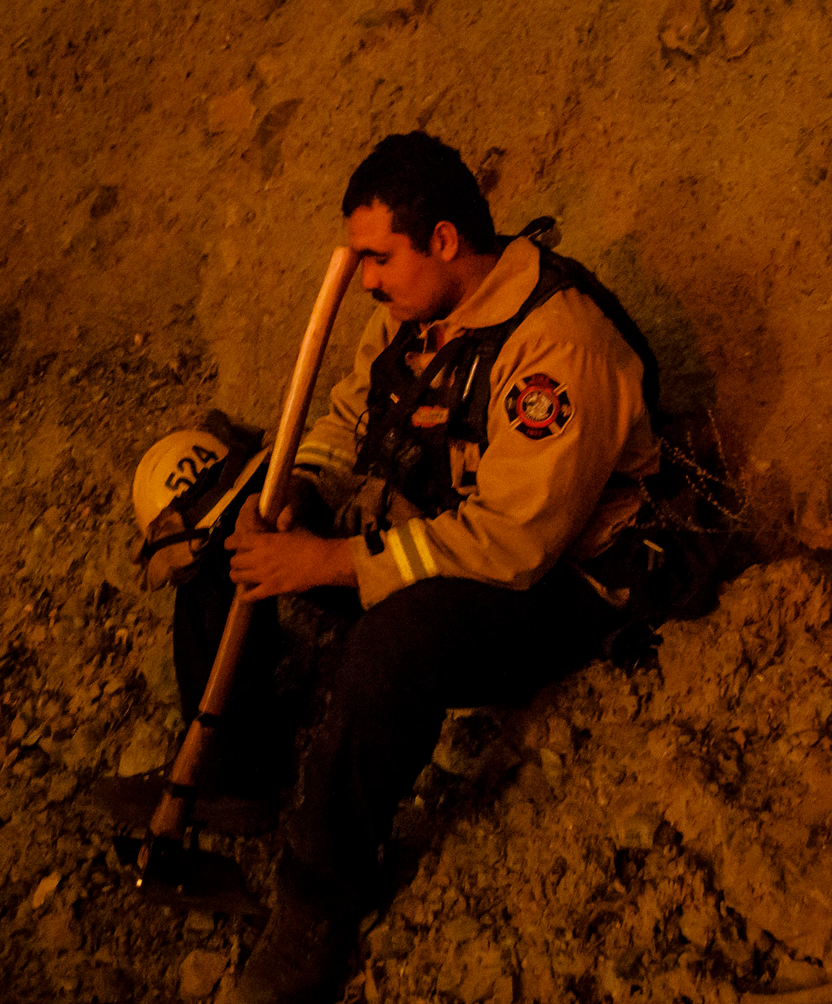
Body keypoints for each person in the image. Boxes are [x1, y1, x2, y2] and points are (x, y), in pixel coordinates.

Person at [178, 132, 660, 1004]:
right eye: (358, 258)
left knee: (395, 643)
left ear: (443, 240)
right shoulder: (412, 310)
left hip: (556, 584)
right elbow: (346, 419)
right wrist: (301, 492)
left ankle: (319, 902)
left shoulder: (557, 348)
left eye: (377, 256)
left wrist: (330, 561)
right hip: (439, 526)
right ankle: (233, 769)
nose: (363, 277)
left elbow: (515, 544)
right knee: (229, 523)